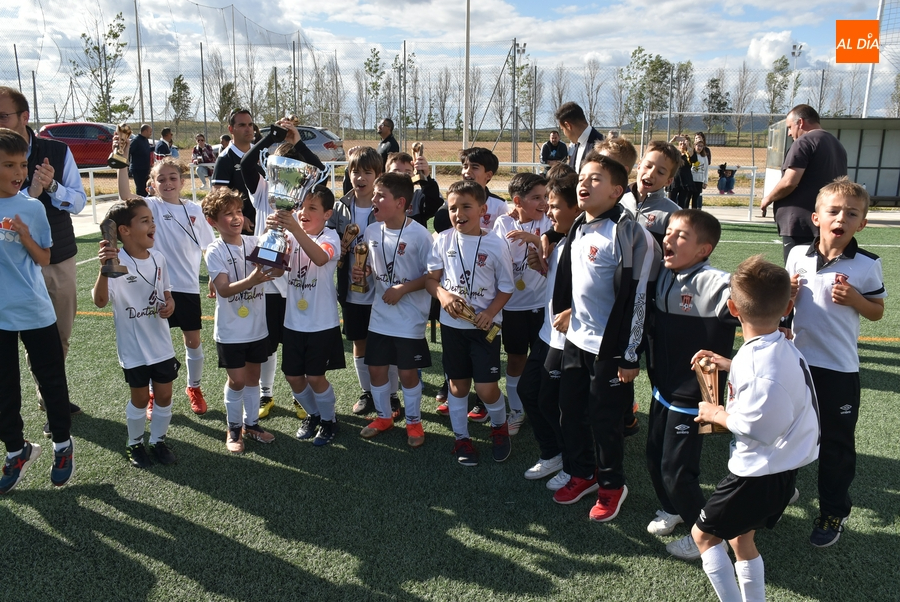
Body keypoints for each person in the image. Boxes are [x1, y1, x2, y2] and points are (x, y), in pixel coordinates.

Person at [690, 255, 819, 602]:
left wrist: (715, 413)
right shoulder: (778, 345)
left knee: (702, 537)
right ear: (788, 306)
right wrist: (729, 364)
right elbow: (769, 381)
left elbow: (755, 427)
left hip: (758, 474)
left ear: (733, 308)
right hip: (777, 469)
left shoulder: (763, 367)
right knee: (740, 539)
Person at [551, 151, 657, 521]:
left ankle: (612, 485)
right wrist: (567, 311)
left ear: (616, 191)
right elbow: (577, 283)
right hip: (576, 342)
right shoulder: (579, 224)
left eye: (595, 178)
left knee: (605, 423)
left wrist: (629, 356)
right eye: (583, 177)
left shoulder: (630, 234)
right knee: (571, 414)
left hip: (609, 352)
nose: (584, 183)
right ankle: (582, 473)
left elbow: (638, 300)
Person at [785, 178, 886, 548]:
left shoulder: (866, 265)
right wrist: (788, 298)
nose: (841, 217)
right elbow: (786, 307)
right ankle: (783, 492)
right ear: (816, 217)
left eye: (852, 213)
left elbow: (876, 312)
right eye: (834, 210)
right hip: (797, 365)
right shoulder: (797, 255)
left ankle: (832, 511)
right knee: (789, 433)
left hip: (839, 370)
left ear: (862, 223)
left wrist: (857, 300)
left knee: (836, 446)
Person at [644, 209, 738, 560]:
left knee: (677, 471)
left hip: (693, 394)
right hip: (663, 389)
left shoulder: (718, 283)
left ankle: (708, 537)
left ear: (703, 250)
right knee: (655, 459)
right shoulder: (667, 273)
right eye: (668, 231)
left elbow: (754, 304)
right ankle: (674, 510)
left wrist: (782, 307)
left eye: (681, 235)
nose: (668, 238)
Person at [0, 86, 86, 425]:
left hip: (56, 257)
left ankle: (48, 395)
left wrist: (51, 188)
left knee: (58, 335)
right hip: (8, 269)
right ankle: (49, 405)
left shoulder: (57, 151)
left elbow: (78, 202)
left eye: (2, 116)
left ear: (24, 117)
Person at [115, 137, 216, 416]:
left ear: (182, 182)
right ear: (152, 183)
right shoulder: (151, 208)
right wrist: (122, 161)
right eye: (161, 179)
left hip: (186, 287)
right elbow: (125, 195)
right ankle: (150, 393)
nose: (168, 183)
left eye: (173, 177)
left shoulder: (195, 211)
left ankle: (193, 387)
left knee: (193, 341)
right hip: (155, 288)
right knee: (153, 343)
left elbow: (209, 247)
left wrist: (215, 278)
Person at [0, 128, 75, 493]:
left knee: (51, 381)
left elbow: (45, 257)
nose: (19, 172)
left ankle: (62, 445)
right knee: (4, 390)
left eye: (22, 164)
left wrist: (24, 235)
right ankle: (17, 449)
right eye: (9, 165)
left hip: (33, 309)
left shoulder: (31, 207)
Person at [241, 120, 326, 420]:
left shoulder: (308, 191)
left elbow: (321, 172)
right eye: (282, 163)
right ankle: (266, 394)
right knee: (266, 343)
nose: (288, 169)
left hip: (295, 279)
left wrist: (299, 142)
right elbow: (245, 164)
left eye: (294, 163)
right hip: (266, 277)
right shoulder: (264, 189)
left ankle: (299, 396)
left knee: (293, 342)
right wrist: (271, 138)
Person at [426, 180, 515, 466]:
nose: (458, 213)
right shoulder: (442, 239)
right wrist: (442, 296)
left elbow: (506, 288)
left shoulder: (495, 243)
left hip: (484, 329)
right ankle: (461, 438)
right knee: (457, 386)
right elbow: (431, 280)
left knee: (487, 389)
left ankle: (499, 428)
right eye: (452, 208)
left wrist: (490, 312)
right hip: (453, 329)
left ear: (482, 209)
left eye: (466, 206)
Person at [91, 199, 179, 468]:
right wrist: (105, 269)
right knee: (140, 398)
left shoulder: (159, 258)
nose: (152, 224)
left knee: (164, 395)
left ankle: (159, 441)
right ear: (124, 230)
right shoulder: (117, 264)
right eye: (144, 221)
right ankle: (135, 443)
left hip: (161, 345)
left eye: (152, 219)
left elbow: (166, 291)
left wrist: (170, 302)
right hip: (134, 349)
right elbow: (100, 301)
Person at [354, 173, 433, 447]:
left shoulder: (420, 235)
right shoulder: (372, 230)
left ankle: (413, 421)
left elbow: (432, 276)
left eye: (380, 196)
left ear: (400, 202)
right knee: (376, 368)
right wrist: (362, 273)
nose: (373, 200)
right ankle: (384, 417)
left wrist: (402, 289)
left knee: (407, 373)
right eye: (374, 194)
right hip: (380, 315)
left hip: (410, 317)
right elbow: (374, 271)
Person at [327, 147, 402, 420]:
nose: (359, 177)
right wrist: (339, 251)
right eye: (355, 171)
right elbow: (330, 241)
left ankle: (392, 395)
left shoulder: (384, 205)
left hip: (380, 289)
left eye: (367, 172)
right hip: (350, 288)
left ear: (378, 175)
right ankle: (367, 392)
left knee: (385, 342)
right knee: (359, 341)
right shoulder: (339, 207)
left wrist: (372, 264)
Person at [202, 188, 279, 453]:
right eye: (227, 214)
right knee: (236, 380)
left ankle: (252, 424)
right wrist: (253, 280)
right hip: (231, 331)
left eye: (238, 211)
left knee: (253, 378)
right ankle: (233, 427)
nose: (235, 218)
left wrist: (281, 248)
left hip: (256, 327)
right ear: (212, 221)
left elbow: (277, 269)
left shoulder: (254, 241)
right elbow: (223, 289)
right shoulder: (214, 250)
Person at [268, 185, 345, 447]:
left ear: (327, 214)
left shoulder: (330, 237)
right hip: (293, 322)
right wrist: (273, 237)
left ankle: (329, 419)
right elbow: (276, 273)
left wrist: (293, 230)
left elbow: (321, 258)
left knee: (315, 377)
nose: (303, 212)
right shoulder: (290, 237)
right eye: (302, 207)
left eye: (312, 208)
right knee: (293, 376)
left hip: (321, 323)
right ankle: (313, 414)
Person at [518, 172, 581, 487]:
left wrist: (576, 312)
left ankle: (573, 464)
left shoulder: (583, 243)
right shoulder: (557, 239)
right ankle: (553, 453)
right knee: (527, 391)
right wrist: (542, 268)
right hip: (548, 332)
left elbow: (604, 292)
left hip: (569, 339)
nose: (548, 212)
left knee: (557, 405)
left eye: (555, 205)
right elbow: (557, 282)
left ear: (577, 208)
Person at [492, 173, 552, 436]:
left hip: (544, 305)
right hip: (513, 307)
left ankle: (545, 406)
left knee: (546, 361)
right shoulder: (502, 224)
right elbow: (495, 260)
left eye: (546, 197)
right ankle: (516, 410)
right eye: (537, 198)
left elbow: (559, 255)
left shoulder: (550, 221)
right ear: (517, 201)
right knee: (516, 358)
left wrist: (537, 242)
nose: (544, 203)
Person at [760, 104, 848, 262]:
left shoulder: (804, 142)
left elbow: (790, 181)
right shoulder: (837, 145)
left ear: (800, 122)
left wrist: (768, 198)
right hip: (824, 221)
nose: (789, 133)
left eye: (789, 127)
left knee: (798, 276)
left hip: (800, 223)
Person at [619, 140, 681, 250]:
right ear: (638, 166)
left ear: (668, 181)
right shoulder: (617, 201)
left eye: (660, 172)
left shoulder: (673, 214)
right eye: (648, 166)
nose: (651, 173)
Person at [212, 109, 259, 234]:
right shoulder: (225, 159)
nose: (248, 129)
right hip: (243, 231)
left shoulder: (261, 153)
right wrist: (240, 218)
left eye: (250, 124)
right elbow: (218, 197)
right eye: (242, 125)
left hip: (266, 224)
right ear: (231, 129)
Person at [385, 151, 443, 228]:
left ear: (414, 176)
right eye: (396, 171)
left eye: (408, 172)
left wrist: (425, 178)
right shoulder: (378, 197)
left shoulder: (418, 197)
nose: (402, 176)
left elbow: (434, 206)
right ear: (385, 175)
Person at [554, 102, 603, 172]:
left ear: (568, 125)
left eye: (562, 129)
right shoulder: (578, 144)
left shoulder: (601, 146)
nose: (564, 134)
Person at [669, 135, 695, 210]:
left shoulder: (690, 152)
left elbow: (694, 160)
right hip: (674, 179)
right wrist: (672, 141)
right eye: (680, 142)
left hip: (685, 180)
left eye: (684, 142)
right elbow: (666, 150)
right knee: (671, 200)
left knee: (682, 202)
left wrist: (688, 146)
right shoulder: (675, 153)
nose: (682, 144)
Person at [130, 124, 153, 197]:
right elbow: (129, 151)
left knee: (146, 187)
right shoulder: (136, 140)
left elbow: (147, 150)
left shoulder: (145, 140)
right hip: (138, 169)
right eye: (150, 131)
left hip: (145, 168)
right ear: (145, 131)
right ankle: (140, 203)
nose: (150, 133)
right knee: (140, 188)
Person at [691, 132, 710, 210]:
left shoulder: (704, 157)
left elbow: (706, 169)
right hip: (691, 180)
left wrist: (705, 181)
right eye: (698, 145)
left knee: (695, 198)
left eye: (701, 146)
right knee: (688, 197)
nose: (699, 147)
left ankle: (694, 213)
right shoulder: (691, 155)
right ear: (694, 145)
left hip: (699, 180)